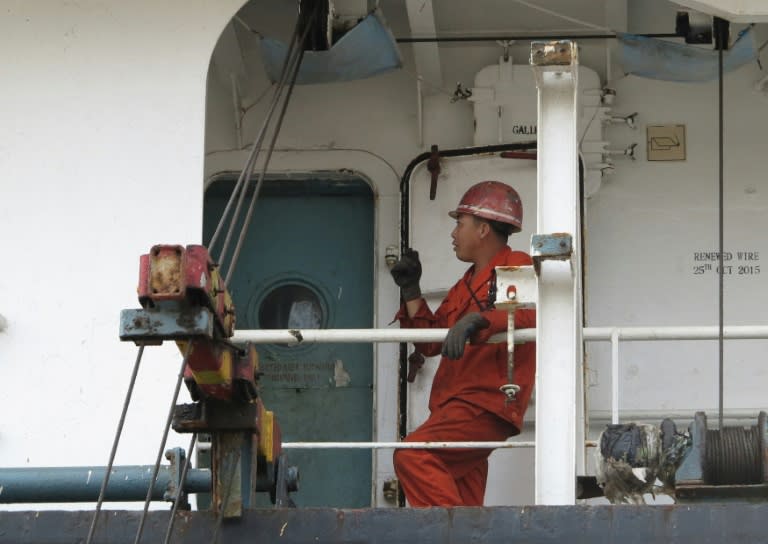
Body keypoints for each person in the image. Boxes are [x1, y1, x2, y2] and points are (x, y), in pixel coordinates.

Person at [390, 180, 536, 507]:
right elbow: (431, 343)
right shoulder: (465, 284)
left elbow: (525, 319)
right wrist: (412, 290)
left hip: (482, 403)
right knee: (465, 507)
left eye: (459, 223)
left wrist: (479, 321)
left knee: (413, 456)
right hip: (454, 406)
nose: (453, 233)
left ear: (483, 229)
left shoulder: (517, 262)